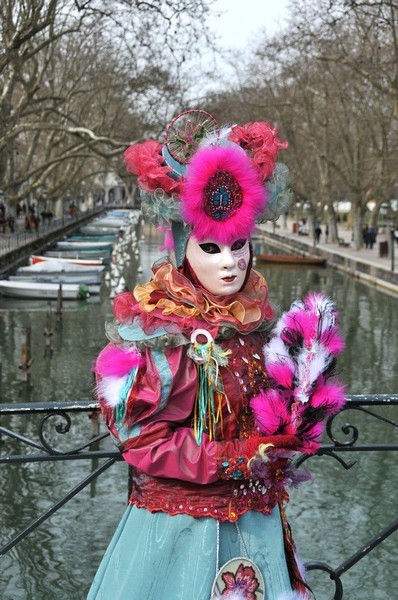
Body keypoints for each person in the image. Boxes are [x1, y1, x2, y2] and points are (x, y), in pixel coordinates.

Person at [88, 110, 345, 600]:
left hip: (259, 524)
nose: (230, 262)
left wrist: (286, 436)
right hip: (183, 537)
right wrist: (235, 459)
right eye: (211, 248)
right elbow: (142, 441)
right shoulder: (156, 339)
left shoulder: (255, 326)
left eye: (239, 245)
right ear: (185, 250)